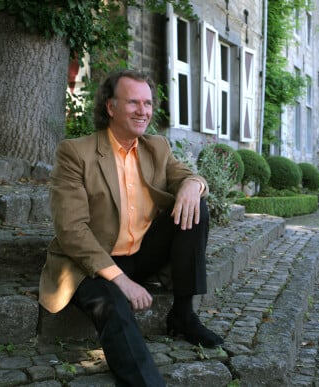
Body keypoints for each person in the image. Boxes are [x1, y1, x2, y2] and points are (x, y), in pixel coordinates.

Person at [39, 69, 223, 386]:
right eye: (133, 102)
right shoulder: (76, 153)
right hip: (92, 262)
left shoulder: (157, 147)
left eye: (148, 103)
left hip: (141, 252)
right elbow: (71, 231)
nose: (143, 111)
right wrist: (123, 282)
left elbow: (186, 176)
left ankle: (182, 313)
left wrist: (193, 184)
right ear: (110, 107)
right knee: (112, 306)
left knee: (196, 206)